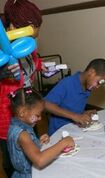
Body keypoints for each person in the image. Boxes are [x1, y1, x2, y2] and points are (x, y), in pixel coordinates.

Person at [0, 0, 44, 177]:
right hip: (10, 119)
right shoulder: (3, 52)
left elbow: (33, 62)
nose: (35, 32)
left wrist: (43, 67)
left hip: (30, 110)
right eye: (31, 27)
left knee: (35, 155)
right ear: (12, 27)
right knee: (15, 162)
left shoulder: (27, 44)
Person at [8, 88, 75, 178]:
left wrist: (37, 143)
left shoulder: (17, 124)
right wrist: (63, 143)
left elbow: (23, 149)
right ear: (22, 112)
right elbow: (40, 160)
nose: (40, 119)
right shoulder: (23, 134)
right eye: (37, 115)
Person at [45, 58, 105, 136]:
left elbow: (70, 107)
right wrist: (75, 116)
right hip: (59, 133)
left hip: (74, 130)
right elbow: (46, 104)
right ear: (91, 72)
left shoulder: (88, 88)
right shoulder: (67, 83)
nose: (97, 87)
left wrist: (83, 113)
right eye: (98, 82)